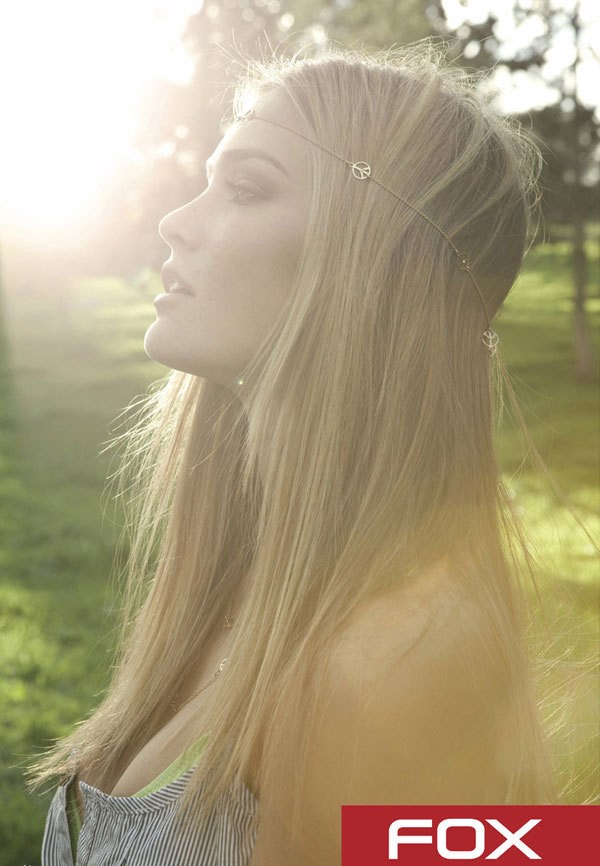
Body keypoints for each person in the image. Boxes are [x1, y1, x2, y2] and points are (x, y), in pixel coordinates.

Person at [31, 42, 556, 866]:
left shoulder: (388, 666)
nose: (175, 221)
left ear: (376, 263)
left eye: (245, 188)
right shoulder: (234, 588)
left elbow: (538, 849)